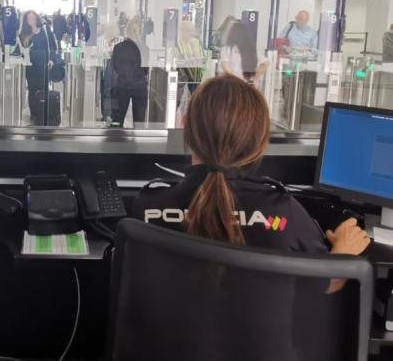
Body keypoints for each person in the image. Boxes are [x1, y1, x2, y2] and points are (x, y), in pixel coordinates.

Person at [130, 75, 370, 360]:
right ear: (260, 140)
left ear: (187, 129)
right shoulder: (284, 214)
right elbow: (325, 284)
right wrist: (343, 252)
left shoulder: (148, 209)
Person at [20, 10, 58, 124]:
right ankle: (34, 114)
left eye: (33, 18)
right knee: (32, 90)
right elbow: (21, 48)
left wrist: (51, 59)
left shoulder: (45, 30)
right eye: (29, 19)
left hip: (43, 65)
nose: (31, 20)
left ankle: (42, 112)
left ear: (37, 18)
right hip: (30, 66)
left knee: (43, 89)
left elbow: (52, 46)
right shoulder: (25, 33)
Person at [108, 20, 148, 127]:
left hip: (122, 86)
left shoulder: (118, 47)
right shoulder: (144, 48)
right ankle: (137, 137)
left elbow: (115, 67)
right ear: (139, 32)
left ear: (127, 32)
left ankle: (117, 136)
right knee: (139, 122)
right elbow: (145, 70)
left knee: (117, 120)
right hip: (139, 86)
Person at [219, 21, 268, 86]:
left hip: (234, 85)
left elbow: (227, 69)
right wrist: (256, 76)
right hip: (249, 85)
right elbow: (265, 63)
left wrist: (238, 80)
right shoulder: (251, 49)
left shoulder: (226, 49)